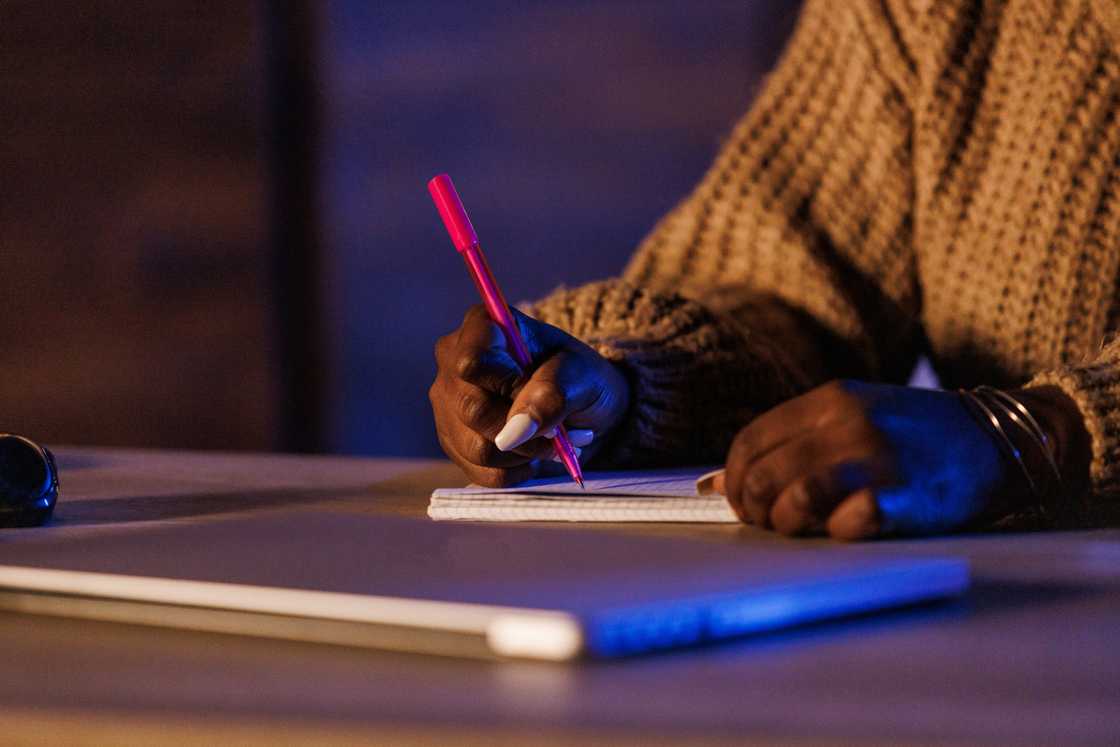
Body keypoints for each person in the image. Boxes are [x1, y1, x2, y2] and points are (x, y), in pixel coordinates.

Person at [429, 0, 1120, 539]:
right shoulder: (930, 17)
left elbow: (1022, 438)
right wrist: (627, 380)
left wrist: (1043, 432)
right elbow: (789, 282)